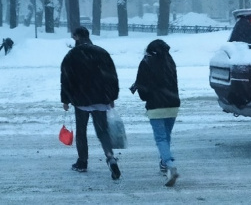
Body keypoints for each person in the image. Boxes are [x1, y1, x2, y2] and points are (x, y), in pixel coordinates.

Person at [60, 26, 121, 180]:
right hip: (100, 99)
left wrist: (65, 99)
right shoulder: (101, 52)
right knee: (102, 131)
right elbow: (112, 76)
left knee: (81, 131)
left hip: (81, 101)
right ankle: (110, 157)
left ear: (76, 37)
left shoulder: (72, 55)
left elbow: (66, 79)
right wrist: (112, 96)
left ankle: (82, 162)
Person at [131, 39, 181, 187]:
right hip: (173, 104)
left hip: (156, 105)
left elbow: (143, 89)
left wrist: (143, 93)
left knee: (160, 139)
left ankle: (170, 163)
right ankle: (164, 164)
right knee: (166, 136)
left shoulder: (146, 62)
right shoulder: (170, 61)